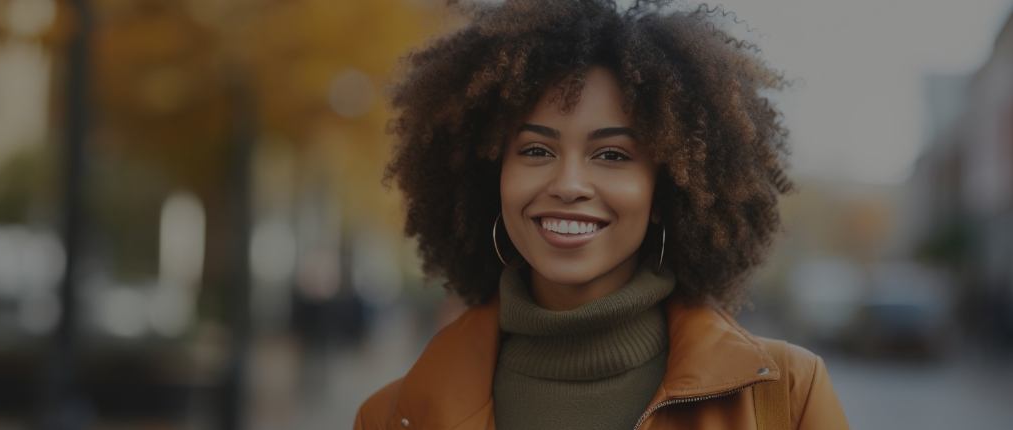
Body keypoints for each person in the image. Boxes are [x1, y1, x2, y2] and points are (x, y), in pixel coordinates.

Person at [354, 0, 850, 429]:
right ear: (491, 177)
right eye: (535, 151)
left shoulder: (785, 398)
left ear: (665, 190)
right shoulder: (392, 417)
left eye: (612, 155)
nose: (568, 185)